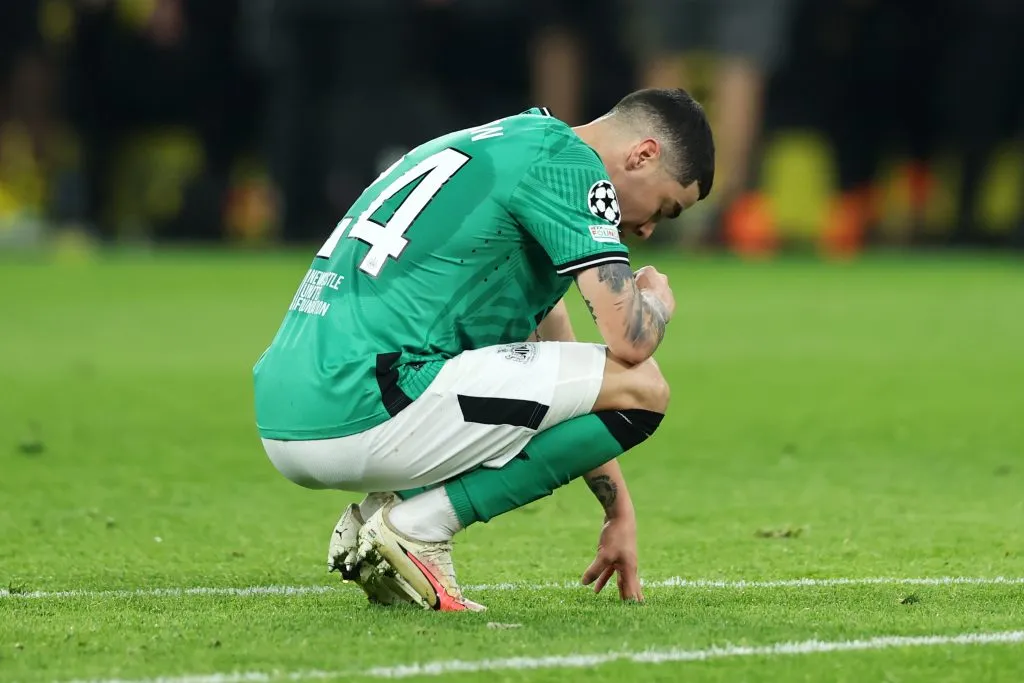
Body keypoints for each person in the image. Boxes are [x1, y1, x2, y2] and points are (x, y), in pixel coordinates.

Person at [252, 88, 714, 611]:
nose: (649, 228)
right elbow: (629, 342)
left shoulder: (510, 142)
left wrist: (617, 511)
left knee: (613, 387)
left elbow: (578, 379)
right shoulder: (569, 165)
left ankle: (380, 513)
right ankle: (417, 527)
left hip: (290, 406)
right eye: (666, 207)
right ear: (643, 154)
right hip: (364, 400)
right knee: (647, 386)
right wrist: (656, 300)